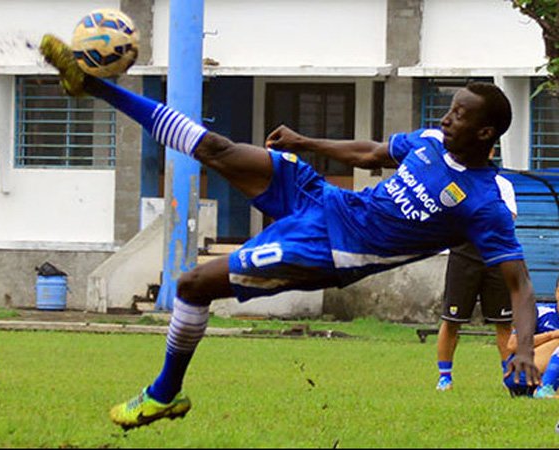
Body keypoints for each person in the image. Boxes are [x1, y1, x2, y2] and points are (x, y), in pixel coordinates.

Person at [39, 34, 539, 430]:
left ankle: (164, 394)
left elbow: (518, 282)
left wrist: (521, 347)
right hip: (320, 199)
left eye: (458, 114)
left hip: (331, 250)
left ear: (485, 133)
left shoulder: (484, 201)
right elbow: (370, 153)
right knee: (215, 147)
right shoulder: (429, 141)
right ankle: (94, 86)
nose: (446, 118)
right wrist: (305, 141)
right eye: (449, 108)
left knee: (192, 285)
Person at [435, 150, 518, 392]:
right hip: (463, 257)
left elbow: (508, 217)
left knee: (503, 322)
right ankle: (444, 378)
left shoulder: (502, 184)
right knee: (452, 320)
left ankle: (509, 377)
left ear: (491, 152)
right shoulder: (453, 184)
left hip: (496, 258)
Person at [504, 276, 559, 398]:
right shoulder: (538, 311)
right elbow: (512, 345)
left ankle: (546, 390)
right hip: (521, 374)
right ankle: (545, 388)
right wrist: (551, 335)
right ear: (557, 292)